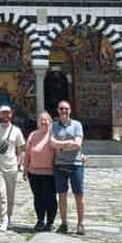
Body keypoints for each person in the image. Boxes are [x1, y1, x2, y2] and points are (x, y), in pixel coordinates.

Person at [0, 104, 25, 231]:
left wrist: (19, 163)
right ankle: (3, 219)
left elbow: (21, 149)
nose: (5, 115)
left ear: (11, 114)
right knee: (1, 193)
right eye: (3, 113)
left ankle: (9, 216)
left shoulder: (16, 130)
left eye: (7, 113)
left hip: (12, 166)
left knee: (10, 194)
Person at [50, 100, 86, 235]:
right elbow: (52, 143)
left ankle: (80, 224)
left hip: (76, 164)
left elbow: (78, 144)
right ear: (58, 110)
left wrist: (61, 147)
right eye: (61, 108)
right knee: (62, 195)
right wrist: (69, 142)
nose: (64, 111)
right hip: (60, 164)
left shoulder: (77, 125)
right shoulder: (53, 126)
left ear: (70, 110)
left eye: (66, 108)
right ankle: (64, 223)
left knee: (79, 195)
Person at [25, 111, 57, 232]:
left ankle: (50, 222)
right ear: (38, 122)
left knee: (50, 198)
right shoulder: (33, 135)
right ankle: (40, 220)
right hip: (34, 173)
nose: (44, 122)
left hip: (50, 173)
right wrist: (25, 169)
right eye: (41, 120)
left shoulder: (54, 135)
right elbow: (28, 153)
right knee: (38, 198)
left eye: (46, 120)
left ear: (50, 122)